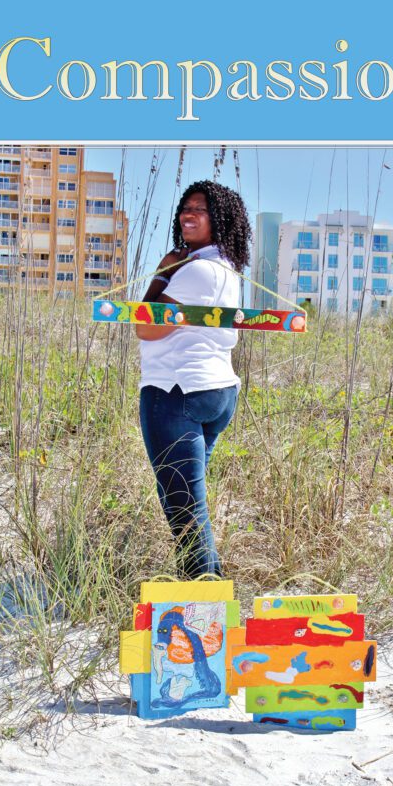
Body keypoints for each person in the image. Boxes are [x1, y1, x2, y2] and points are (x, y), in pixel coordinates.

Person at [136, 180, 251, 579]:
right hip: (216, 392)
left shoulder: (196, 270)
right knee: (187, 503)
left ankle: (205, 608)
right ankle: (210, 595)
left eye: (200, 209)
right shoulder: (226, 267)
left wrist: (163, 271)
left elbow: (146, 327)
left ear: (219, 220)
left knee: (184, 511)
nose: (188, 213)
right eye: (185, 207)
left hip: (176, 390)